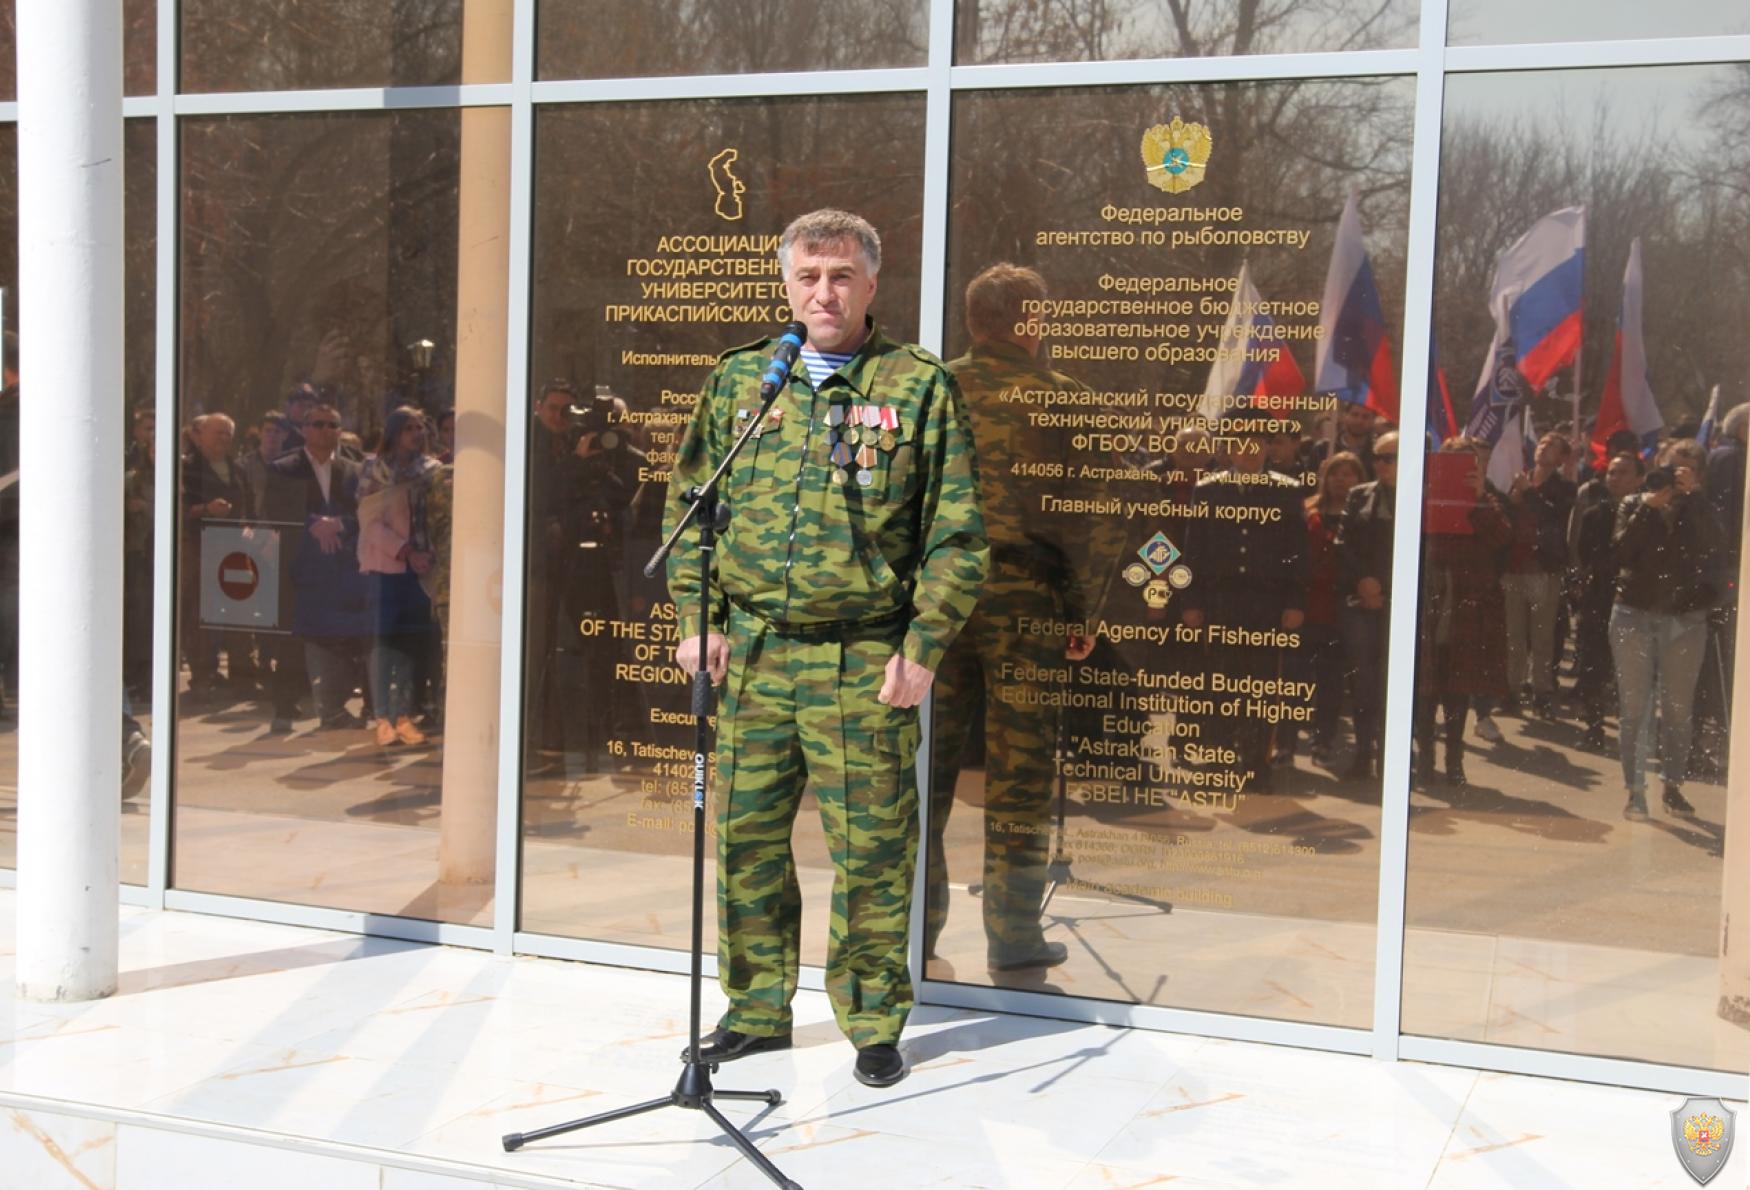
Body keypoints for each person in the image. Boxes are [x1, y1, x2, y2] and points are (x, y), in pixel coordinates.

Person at [665, 209, 987, 1089]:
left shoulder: (916, 386)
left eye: (841, 276)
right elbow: (690, 506)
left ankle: (875, 1020)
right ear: (785, 283)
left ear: (871, 285)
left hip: (864, 659)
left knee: (874, 853)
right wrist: (699, 620)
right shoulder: (741, 382)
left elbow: (957, 536)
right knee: (747, 841)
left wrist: (923, 647)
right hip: (758, 659)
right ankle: (758, 1009)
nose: (824, 293)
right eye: (808, 276)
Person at [928, 263, 1118, 975]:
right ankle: (1011, 934)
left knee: (925, 771)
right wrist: (1084, 613)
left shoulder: (932, 389)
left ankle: (916, 930)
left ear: (975, 321)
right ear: (1029, 323)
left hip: (938, 603)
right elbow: (1101, 517)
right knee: (1021, 773)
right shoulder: (1062, 399)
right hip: (1028, 605)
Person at [1179, 424, 1308, 793]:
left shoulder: (1287, 491)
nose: (1248, 452)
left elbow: (1297, 554)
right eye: (1240, 445)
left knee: (1262, 686)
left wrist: (1296, 602)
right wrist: (1191, 602)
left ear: (1268, 448)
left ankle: (1255, 762)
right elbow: (1194, 551)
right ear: (1229, 450)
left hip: (1267, 604)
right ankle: (1221, 757)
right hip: (1221, 602)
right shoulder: (1207, 490)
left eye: (1256, 445)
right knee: (1221, 681)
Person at [1609, 438, 1723, 820]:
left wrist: (1695, 498)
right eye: (1671, 466)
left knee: (1678, 708)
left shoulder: (1700, 507)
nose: (1675, 476)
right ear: (1657, 464)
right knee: (1634, 708)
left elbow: (1714, 546)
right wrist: (1647, 509)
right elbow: (1621, 553)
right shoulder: (1632, 504)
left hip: (1685, 619)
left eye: (1685, 469)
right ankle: (1635, 792)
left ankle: (1672, 785)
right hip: (1634, 613)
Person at [263, 402, 370, 730]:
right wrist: (314, 523)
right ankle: (284, 710)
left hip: (342, 565)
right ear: (305, 430)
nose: (327, 431)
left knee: (345, 637)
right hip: (302, 565)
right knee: (294, 638)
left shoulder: (354, 470)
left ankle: (337, 708)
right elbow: (274, 511)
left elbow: (366, 513)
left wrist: (339, 525)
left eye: (333, 425)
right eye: (319, 424)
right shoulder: (284, 468)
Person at [1414, 437, 1512, 786]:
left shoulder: (1489, 500)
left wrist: (1477, 497)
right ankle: (1425, 760)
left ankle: (1454, 761)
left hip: (1465, 599)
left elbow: (1501, 538)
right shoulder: (1421, 491)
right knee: (1425, 688)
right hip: (1429, 593)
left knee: (1458, 687)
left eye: (1468, 463)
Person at [356, 405, 441, 747]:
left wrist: (427, 554)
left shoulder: (433, 470)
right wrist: (405, 550)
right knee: (384, 644)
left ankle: (404, 714)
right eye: (409, 428)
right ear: (393, 433)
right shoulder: (373, 469)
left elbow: (438, 516)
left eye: (420, 427)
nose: (416, 434)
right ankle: (381, 716)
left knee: (411, 645)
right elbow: (367, 519)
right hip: (385, 566)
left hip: (422, 570)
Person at [1333, 430, 1398, 780]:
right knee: (1363, 681)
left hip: (1397, 602)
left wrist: (1385, 586)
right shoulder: (1360, 495)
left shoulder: (1422, 497)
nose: (1382, 465)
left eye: (1390, 458)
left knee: (1393, 682)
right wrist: (1365, 581)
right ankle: (1362, 753)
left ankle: (1391, 757)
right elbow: (1343, 542)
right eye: (1378, 457)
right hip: (1361, 599)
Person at [1569, 451, 1643, 750]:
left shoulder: (1646, 513)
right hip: (1600, 598)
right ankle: (1594, 725)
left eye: (1624, 472)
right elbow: (1587, 554)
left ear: (1639, 479)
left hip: (1636, 599)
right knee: (1593, 664)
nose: (1615, 478)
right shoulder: (1594, 514)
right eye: (1612, 472)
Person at [1500, 431, 1576, 718]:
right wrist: (1516, 495)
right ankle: (1511, 690)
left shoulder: (1565, 487)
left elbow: (1553, 518)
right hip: (1515, 568)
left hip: (1543, 571)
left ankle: (1542, 691)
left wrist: (1528, 493)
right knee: (1514, 636)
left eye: (1552, 447)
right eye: (1542, 443)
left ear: (1561, 458)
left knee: (1542, 637)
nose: (1544, 449)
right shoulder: (1521, 479)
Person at [1301, 450, 1366, 767]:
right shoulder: (1308, 510)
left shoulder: (1362, 513)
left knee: (1330, 679)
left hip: (1342, 607)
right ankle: (1286, 742)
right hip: (1308, 604)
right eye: (1335, 473)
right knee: (1298, 677)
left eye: (1349, 473)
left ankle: (1322, 740)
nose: (1341, 479)